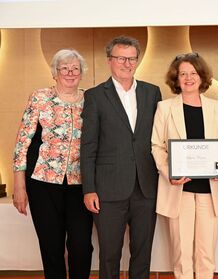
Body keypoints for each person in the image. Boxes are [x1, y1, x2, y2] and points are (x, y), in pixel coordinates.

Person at [80, 35, 162, 279]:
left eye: (132, 59)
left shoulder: (152, 92)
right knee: (109, 254)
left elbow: (160, 139)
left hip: (146, 188)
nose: (127, 63)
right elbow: (88, 146)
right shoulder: (95, 96)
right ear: (109, 61)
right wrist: (89, 189)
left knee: (143, 252)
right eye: (121, 58)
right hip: (107, 190)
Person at [151, 53, 218, 279]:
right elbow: (156, 146)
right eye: (183, 74)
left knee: (206, 254)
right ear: (176, 79)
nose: (188, 78)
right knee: (181, 253)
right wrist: (169, 172)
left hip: (210, 190)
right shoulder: (165, 108)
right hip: (179, 189)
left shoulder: (216, 108)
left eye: (193, 73)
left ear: (202, 76)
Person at [12, 49, 93, 279]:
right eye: (64, 68)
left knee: (81, 246)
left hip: (80, 183)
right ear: (55, 73)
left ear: (81, 73)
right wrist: (19, 185)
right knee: (51, 246)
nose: (70, 72)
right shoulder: (39, 97)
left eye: (75, 68)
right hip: (42, 182)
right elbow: (22, 142)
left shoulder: (91, 99)